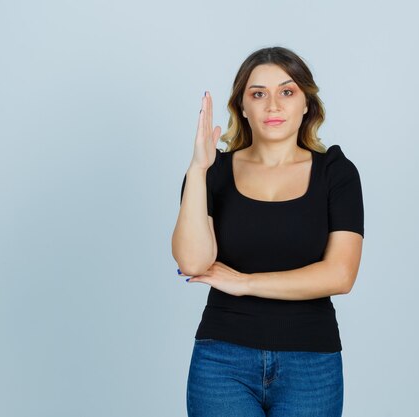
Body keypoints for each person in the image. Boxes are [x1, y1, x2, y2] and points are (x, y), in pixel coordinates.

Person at [171, 46, 364, 417]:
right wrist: (197, 170)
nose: (273, 105)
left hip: (311, 364)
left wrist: (245, 283)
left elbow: (340, 274)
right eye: (258, 94)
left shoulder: (336, 174)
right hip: (222, 361)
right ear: (242, 106)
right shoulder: (213, 173)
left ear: (307, 103)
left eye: (287, 92)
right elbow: (194, 261)